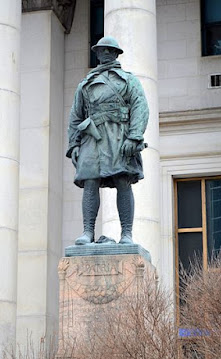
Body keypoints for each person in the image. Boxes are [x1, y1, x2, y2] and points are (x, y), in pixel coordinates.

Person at [66, 36, 149, 245]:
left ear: (115, 53)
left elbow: (140, 107)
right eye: (100, 50)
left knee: (123, 181)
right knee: (90, 182)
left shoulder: (129, 80)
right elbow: (76, 116)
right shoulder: (85, 84)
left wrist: (134, 136)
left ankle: (126, 234)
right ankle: (87, 232)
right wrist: (74, 144)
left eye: (108, 50)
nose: (103, 53)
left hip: (119, 136)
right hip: (92, 138)